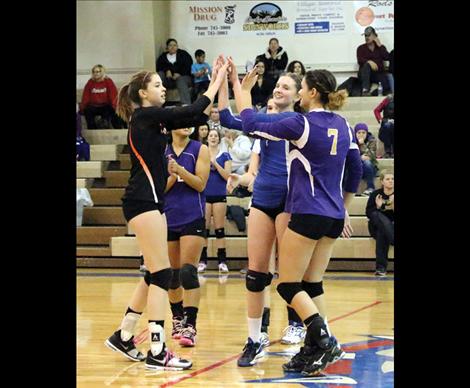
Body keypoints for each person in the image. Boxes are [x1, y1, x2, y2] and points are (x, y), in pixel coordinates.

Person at [104, 56, 229, 370]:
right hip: (142, 201)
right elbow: (190, 111)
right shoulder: (144, 116)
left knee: (154, 274)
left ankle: (124, 334)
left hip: (151, 202)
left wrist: (216, 87)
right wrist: (214, 81)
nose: (163, 89)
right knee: (162, 274)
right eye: (157, 85)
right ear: (143, 94)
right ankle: (157, 351)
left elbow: (191, 117)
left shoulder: (153, 120)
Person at [238, 67, 363, 376]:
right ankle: (312, 350)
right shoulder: (345, 125)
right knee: (312, 284)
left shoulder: (301, 123)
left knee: (288, 284)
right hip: (334, 215)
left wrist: (243, 91)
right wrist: (345, 205)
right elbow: (357, 170)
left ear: (310, 93)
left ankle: (324, 338)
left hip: (307, 212)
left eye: (303, 87)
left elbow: (250, 122)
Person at [220, 59, 308, 366]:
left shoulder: (298, 123)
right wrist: (232, 82)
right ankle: (255, 338)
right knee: (256, 274)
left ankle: (301, 327)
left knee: (289, 274)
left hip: (290, 202)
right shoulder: (265, 119)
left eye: (286, 86)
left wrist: (239, 86)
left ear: (299, 95)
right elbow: (227, 117)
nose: (279, 89)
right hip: (263, 199)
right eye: (277, 86)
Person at [164, 126, 210, 347]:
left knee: (188, 272)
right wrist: (172, 177)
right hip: (168, 216)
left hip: (193, 216)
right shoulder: (161, 150)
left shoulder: (199, 149)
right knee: (172, 275)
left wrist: (180, 170)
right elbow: (158, 188)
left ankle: (190, 325)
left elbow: (201, 184)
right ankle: (176, 318)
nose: (187, 124)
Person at [198, 129, 232, 274]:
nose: (213, 138)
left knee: (219, 229)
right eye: (211, 135)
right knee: (204, 230)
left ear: (219, 139)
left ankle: (222, 261)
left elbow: (227, 176)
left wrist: (215, 164)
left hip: (219, 195)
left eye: (215, 136)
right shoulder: (201, 154)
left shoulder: (225, 155)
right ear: (207, 138)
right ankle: (202, 261)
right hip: (204, 195)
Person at [366, 170, 394, 277]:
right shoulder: (375, 194)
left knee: (382, 232)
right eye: (387, 179)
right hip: (375, 225)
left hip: (390, 227)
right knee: (376, 215)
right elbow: (369, 213)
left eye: (392, 179)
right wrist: (379, 207)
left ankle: (381, 268)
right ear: (382, 181)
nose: (391, 181)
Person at [79, 64, 125, 129]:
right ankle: (92, 130)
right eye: (94, 72)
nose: (95, 73)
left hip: (105, 106)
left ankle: (106, 126)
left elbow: (113, 96)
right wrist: (82, 108)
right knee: (87, 111)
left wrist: (115, 107)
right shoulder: (90, 82)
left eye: (97, 72)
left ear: (102, 72)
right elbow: (86, 96)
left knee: (110, 111)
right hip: (93, 106)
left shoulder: (108, 81)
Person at [156, 39, 193, 105]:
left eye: (174, 45)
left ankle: (186, 105)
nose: (173, 47)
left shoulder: (183, 54)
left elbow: (188, 65)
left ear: (177, 46)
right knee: (159, 74)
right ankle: (157, 103)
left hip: (183, 78)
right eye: (170, 45)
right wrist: (167, 70)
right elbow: (159, 67)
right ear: (167, 47)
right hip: (168, 80)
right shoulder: (162, 57)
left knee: (180, 79)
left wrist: (180, 73)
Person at [356, 26, 390, 96]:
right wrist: (369, 62)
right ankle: (365, 90)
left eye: (369, 35)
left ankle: (372, 94)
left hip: (377, 73)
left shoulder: (380, 47)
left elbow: (387, 57)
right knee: (366, 65)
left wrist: (380, 45)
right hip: (364, 74)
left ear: (374, 36)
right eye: (365, 35)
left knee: (386, 87)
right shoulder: (361, 48)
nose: (366, 37)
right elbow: (360, 60)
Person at [354, 123, 378, 196]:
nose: (361, 134)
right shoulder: (351, 141)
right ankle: (349, 189)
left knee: (367, 162)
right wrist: (359, 158)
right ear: (355, 133)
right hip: (357, 166)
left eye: (363, 132)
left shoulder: (372, 140)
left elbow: (371, 156)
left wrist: (362, 144)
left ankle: (370, 187)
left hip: (369, 168)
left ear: (367, 133)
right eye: (359, 132)